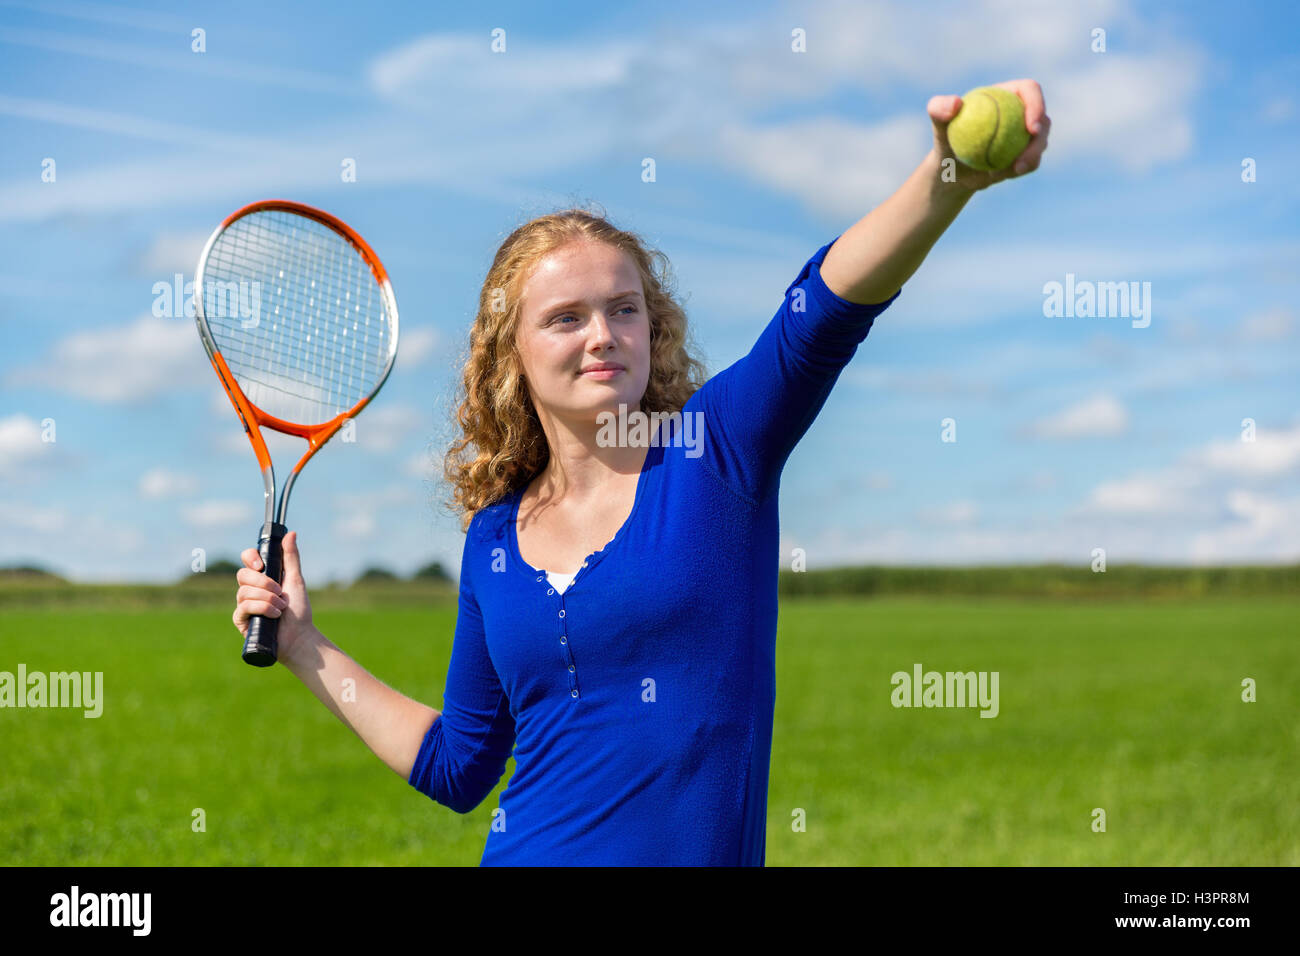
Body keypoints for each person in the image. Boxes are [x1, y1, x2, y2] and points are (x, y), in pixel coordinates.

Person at [233, 81, 1051, 865]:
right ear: (509, 353)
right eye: (565, 317)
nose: (603, 335)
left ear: (652, 327)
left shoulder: (716, 450)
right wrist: (304, 644)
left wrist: (946, 179)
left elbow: (823, 311)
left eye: (623, 308)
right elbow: (458, 765)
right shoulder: (493, 539)